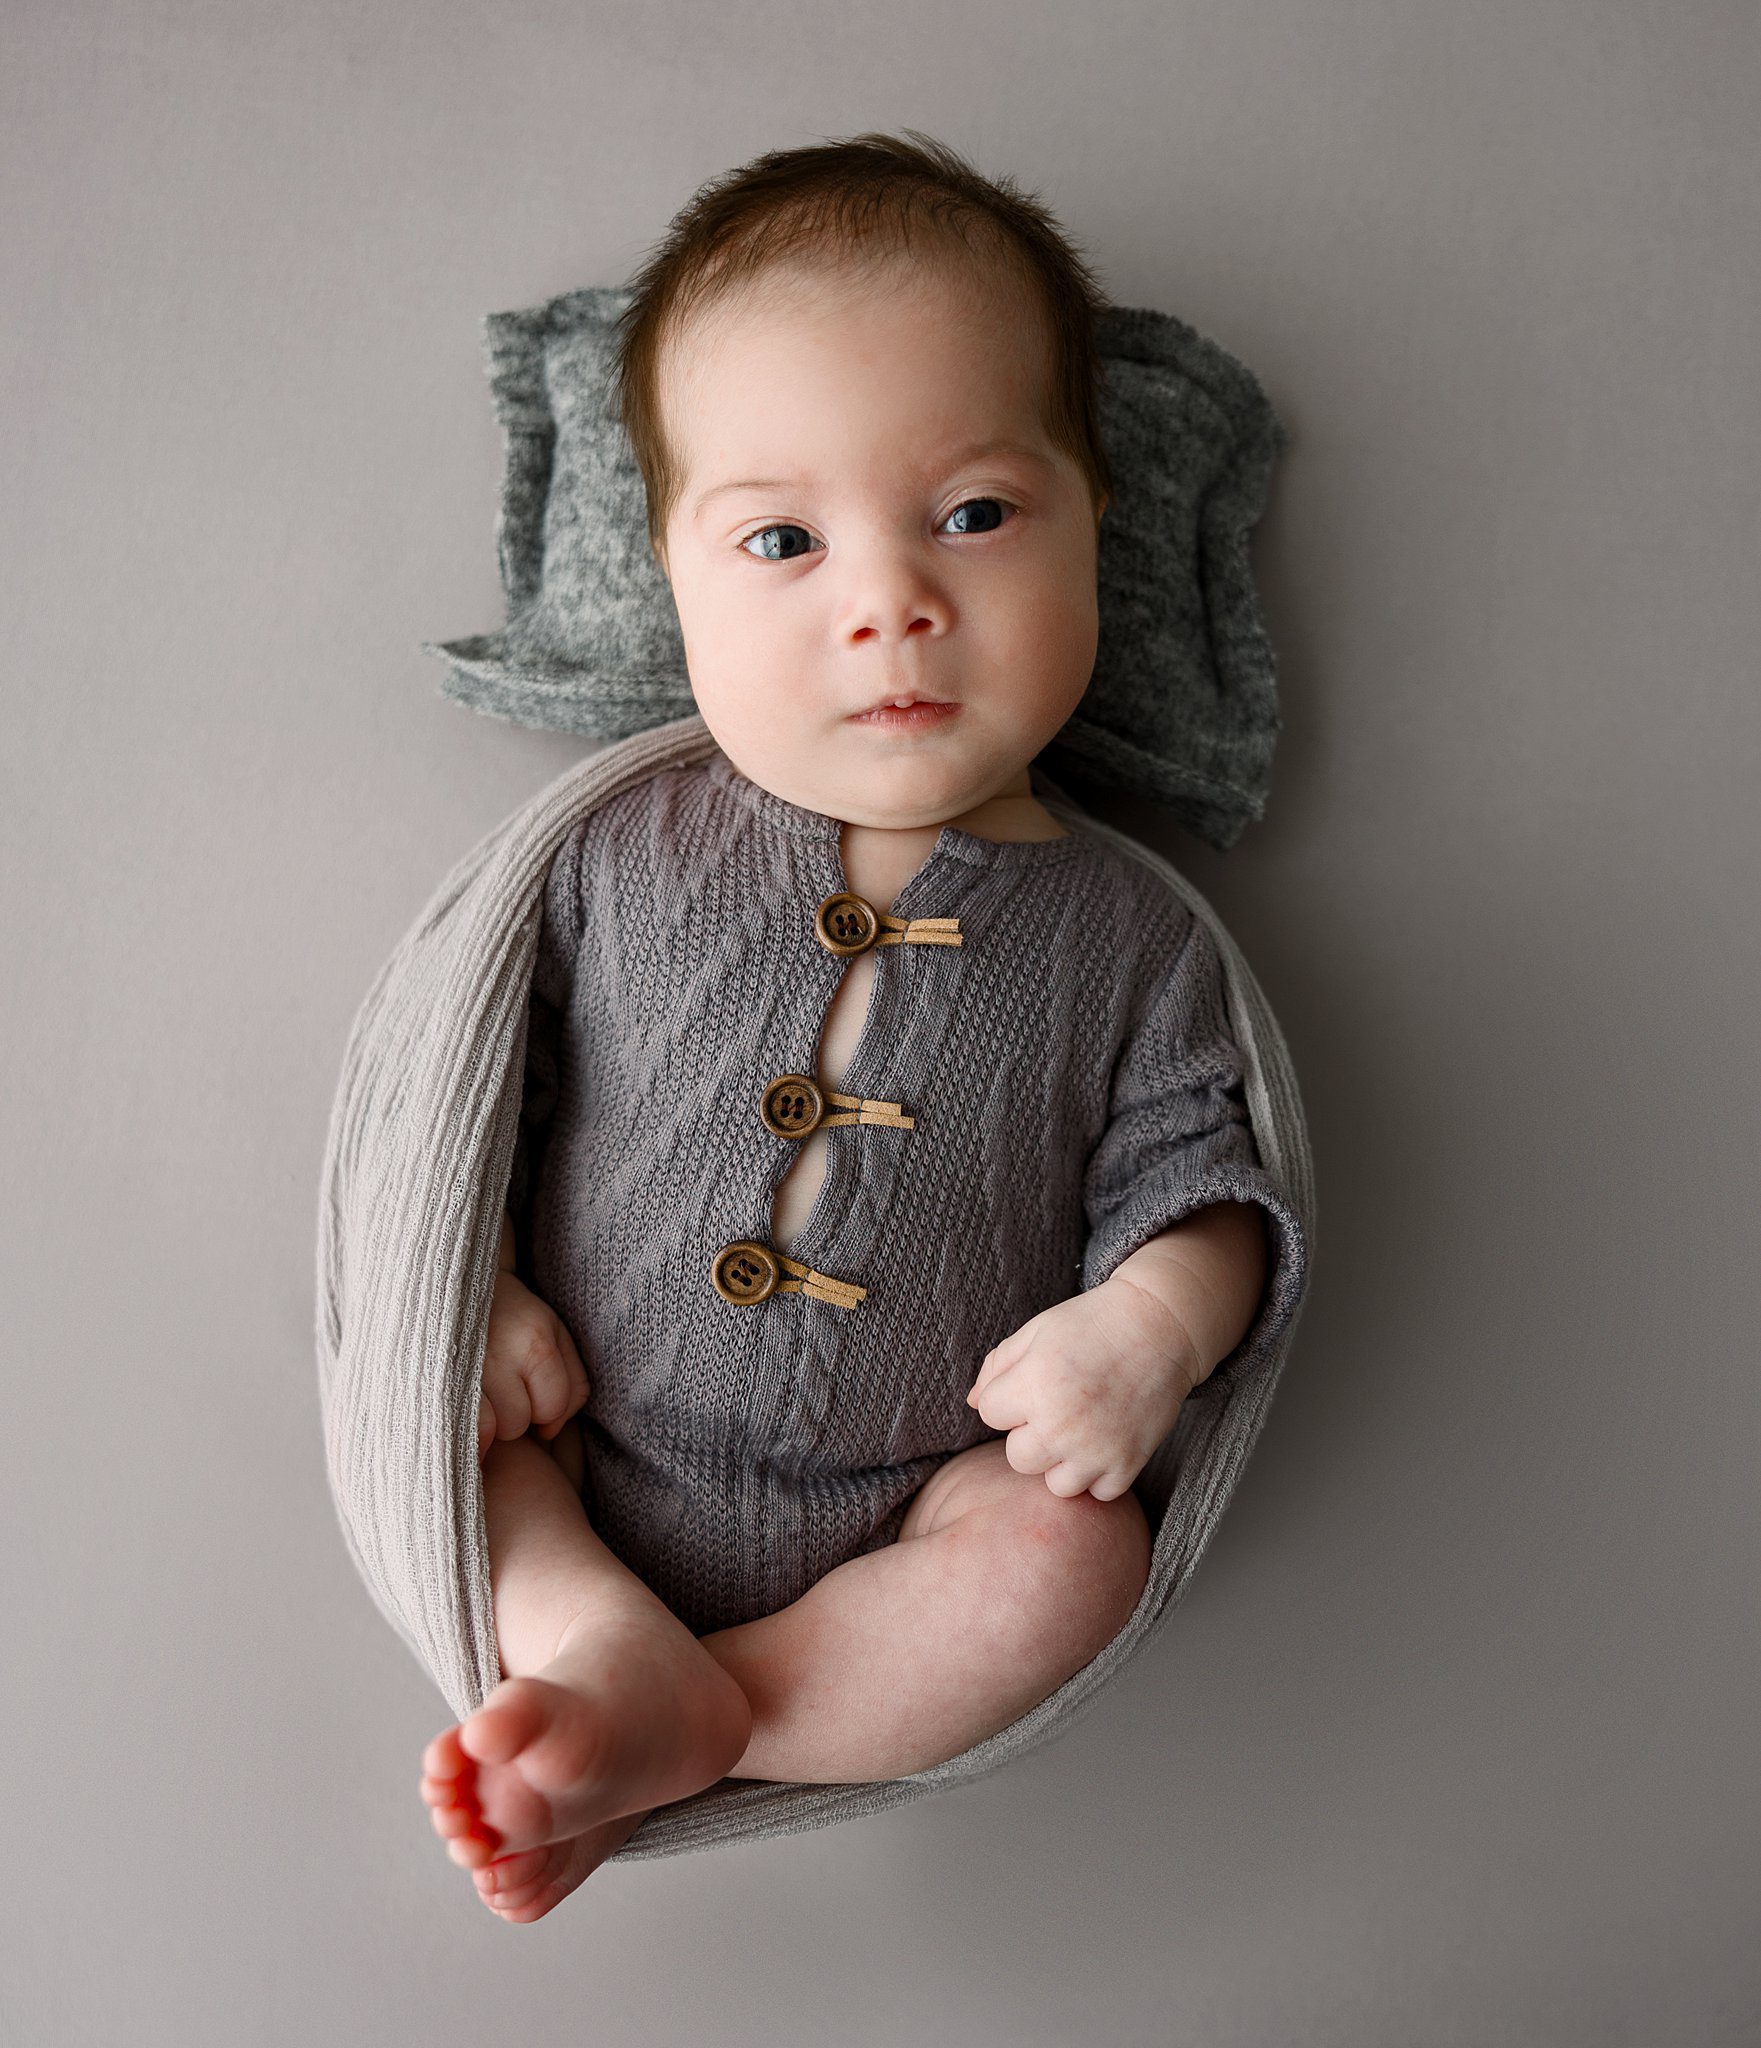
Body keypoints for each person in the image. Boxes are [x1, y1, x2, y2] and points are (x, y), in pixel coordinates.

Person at [418, 131, 1304, 1922]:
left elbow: (1200, 1180)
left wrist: (1149, 1329)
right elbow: (471, 1097)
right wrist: (480, 1282)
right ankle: (608, 1657)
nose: (885, 598)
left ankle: (714, 1715)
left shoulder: (1131, 938)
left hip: (921, 1510)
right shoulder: (610, 855)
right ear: (673, 574)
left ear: (1095, 528)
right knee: (475, 1467)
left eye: (974, 514)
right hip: (582, 1446)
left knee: (1068, 1563)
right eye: (781, 538)